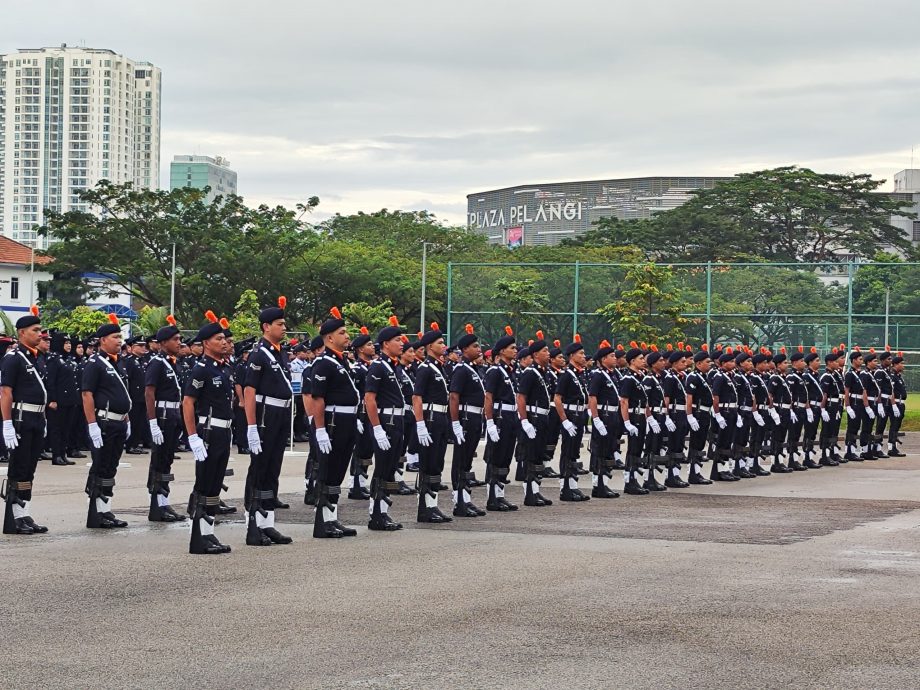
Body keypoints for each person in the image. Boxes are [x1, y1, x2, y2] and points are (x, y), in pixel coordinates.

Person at [243, 299, 294, 546]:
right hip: (265, 415)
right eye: (280, 324)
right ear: (266, 327)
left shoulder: (279, 352)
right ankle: (253, 521)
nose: (284, 328)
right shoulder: (258, 353)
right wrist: (251, 425)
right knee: (260, 467)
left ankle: (268, 522)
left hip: (282, 414)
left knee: (273, 467)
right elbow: (249, 390)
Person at [182, 316, 233, 554]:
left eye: (224, 338)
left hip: (223, 431)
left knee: (215, 484)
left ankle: (208, 532)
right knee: (205, 482)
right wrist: (193, 436)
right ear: (206, 343)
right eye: (218, 339)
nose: (224, 342)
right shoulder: (200, 370)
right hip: (209, 431)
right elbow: (188, 403)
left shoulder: (223, 369)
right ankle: (198, 536)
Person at [309, 307, 360, 538]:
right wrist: (320, 429)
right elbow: (317, 398)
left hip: (347, 419)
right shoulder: (324, 362)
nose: (347, 336)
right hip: (332, 421)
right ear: (329, 338)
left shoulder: (341, 361)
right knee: (328, 469)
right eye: (342, 333)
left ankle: (332, 518)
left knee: (339, 469)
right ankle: (322, 521)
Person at [1, 307, 50, 534]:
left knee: (30, 469)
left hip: (36, 418)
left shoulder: (35, 358)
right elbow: (6, 393)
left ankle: (24, 513)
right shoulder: (13, 358)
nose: (40, 334)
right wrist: (7, 424)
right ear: (22, 333)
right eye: (36, 330)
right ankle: (14, 516)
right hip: (21, 418)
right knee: (19, 468)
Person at [82, 314, 132, 529]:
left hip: (118, 422)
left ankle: (105, 509)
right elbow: (87, 394)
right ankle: (96, 511)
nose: (119, 341)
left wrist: (127, 418)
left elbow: (121, 394)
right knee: (101, 465)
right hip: (103, 422)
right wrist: (92, 424)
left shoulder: (117, 363)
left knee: (111, 467)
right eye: (115, 337)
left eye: (120, 337)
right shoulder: (95, 363)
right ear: (102, 340)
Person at [364, 317, 407, 530]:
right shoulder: (378, 367)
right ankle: (376, 514)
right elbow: (369, 398)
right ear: (386, 344)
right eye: (397, 340)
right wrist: (377, 428)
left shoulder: (394, 367)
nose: (402, 344)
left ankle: (383, 511)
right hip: (386, 422)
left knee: (391, 468)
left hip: (397, 421)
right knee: (382, 468)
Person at [145, 315, 186, 522]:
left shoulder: (172, 363)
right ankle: (157, 506)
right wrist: (153, 422)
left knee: (167, 460)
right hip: (161, 415)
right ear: (163, 343)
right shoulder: (157, 363)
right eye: (175, 339)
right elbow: (149, 392)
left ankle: (163, 502)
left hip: (172, 415)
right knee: (159, 461)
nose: (179, 343)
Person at [412, 323, 453, 523]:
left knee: (437, 462)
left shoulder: (438, 368)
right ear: (429, 347)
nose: (444, 345)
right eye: (440, 342)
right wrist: (420, 424)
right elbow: (417, 397)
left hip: (441, 418)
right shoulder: (425, 368)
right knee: (428, 463)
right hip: (430, 417)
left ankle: (433, 505)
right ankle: (425, 507)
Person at [448, 324, 487, 517]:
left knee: (467, 461)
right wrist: (455, 422)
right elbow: (454, 396)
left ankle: (466, 498)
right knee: (461, 459)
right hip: (465, 417)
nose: (478, 349)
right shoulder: (461, 369)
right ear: (464, 350)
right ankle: (459, 501)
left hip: (474, 417)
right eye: (474, 346)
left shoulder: (471, 369)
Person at [482, 327, 519, 512]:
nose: (515, 350)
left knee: (506, 456)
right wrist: (490, 422)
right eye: (512, 348)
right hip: (500, 415)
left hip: (511, 416)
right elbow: (488, 397)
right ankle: (492, 496)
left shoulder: (511, 371)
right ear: (502, 351)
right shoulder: (495, 371)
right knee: (495, 456)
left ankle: (500, 494)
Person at [516, 333, 554, 507]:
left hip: (543, 417)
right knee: (531, 455)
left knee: (539, 455)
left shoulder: (543, 373)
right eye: (545, 351)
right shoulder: (530, 372)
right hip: (533, 417)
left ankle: (536, 490)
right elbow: (521, 397)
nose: (548, 354)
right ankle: (529, 493)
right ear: (535, 355)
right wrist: (524, 421)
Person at [554, 335, 592, 501]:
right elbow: (557, 399)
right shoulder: (566, 375)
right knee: (567, 451)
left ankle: (573, 485)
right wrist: (564, 420)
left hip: (580, 415)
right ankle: (565, 488)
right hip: (570, 415)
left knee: (575, 452)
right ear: (572, 356)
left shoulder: (580, 374)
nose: (584, 356)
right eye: (581, 354)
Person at [587, 340, 621, 498]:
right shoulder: (598, 376)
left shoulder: (612, 376)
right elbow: (592, 397)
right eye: (612, 356)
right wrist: (596, 419)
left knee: (609, 448)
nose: (615, 358)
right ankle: (597, 484)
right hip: (603, 415)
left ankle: (604, 483)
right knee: (599, 449)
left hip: (613, 415)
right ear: (603, 359)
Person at [618, 345, 651, 496]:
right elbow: (623, 401)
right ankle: (629, 481)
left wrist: (648, 419)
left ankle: (635, 479)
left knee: (638, 449)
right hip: (633, 416)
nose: (644, 361)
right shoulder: (628, 379)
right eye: (640, 359)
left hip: (640, 416)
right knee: (633, 450)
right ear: (632, 361)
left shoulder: (639, 377)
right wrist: (627, 422)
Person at [347, 326, 375, 500]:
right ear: (360, 349)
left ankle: (362, 482)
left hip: (370, 413)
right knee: (359, 450)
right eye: (369, 345)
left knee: (367, 450)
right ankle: (355, 484)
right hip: (361, 413)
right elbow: (355, 394)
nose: (373, 347)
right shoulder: (357, 370)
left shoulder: (370, 368)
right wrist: (356, 416)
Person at [45, 332, 78, 466]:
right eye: (66, 343)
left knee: (66, 428)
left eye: (69, 343)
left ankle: (63, 454)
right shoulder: (54, 359)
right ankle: (56, 455)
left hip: (70, 400)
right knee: (57, 429)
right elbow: (50, 381)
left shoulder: (68, 359)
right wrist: (52, 399)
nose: (69, 345)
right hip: (58, 400)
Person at [685, 348, 714, 485]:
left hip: (705, 413)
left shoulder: (704, 377)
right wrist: (690, 416)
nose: (710, 364)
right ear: (698, 364)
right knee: (695, 443)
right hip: (698, 413)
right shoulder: (693, 377)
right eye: (707, 362)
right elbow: (689, 398)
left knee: (701, 443)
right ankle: (693, 473)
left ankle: (697, 472)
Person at [818, 350, 843, 466]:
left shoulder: (832, 376)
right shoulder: (826, 376)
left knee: (833, 431)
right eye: (835, 362)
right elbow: (824, 394)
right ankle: (824, 455)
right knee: (826, 431)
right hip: (829, 406)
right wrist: (822, 409)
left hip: (835, 406)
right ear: (829, 362)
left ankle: (830, 453)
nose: (837, 364)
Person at [123, 337, 149, 454]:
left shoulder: (143, 361)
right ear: (132, 347)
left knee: (140, 422)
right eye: (141, 346)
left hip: (142, 397)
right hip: (134, 397)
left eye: (144, 346)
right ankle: (130, 445)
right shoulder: (129, 361)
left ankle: (136, 443)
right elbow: (128, 381)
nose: (144, 348)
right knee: (133, 421)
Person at [800, 348, 824, 469]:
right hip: (811, 407)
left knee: (813, 433)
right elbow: (806, 394)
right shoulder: (806, 376)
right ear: (810, 363)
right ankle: (806, 457)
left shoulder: (815, 375)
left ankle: (809, 456)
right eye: (817, 360)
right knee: (808, 433)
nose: (819, 363)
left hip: (817, 407)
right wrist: (808, 408)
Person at [887, 353, 907, 456]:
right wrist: (894, 405)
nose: (903, 366)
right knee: (894, 425)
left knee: (897, 425)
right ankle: (891, 447)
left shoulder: (899, 377)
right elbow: (891, 391)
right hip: (896, 403)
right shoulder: (893, 377)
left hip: (901, 403)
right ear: (895, 365)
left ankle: (894, 446)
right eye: (901, 363)